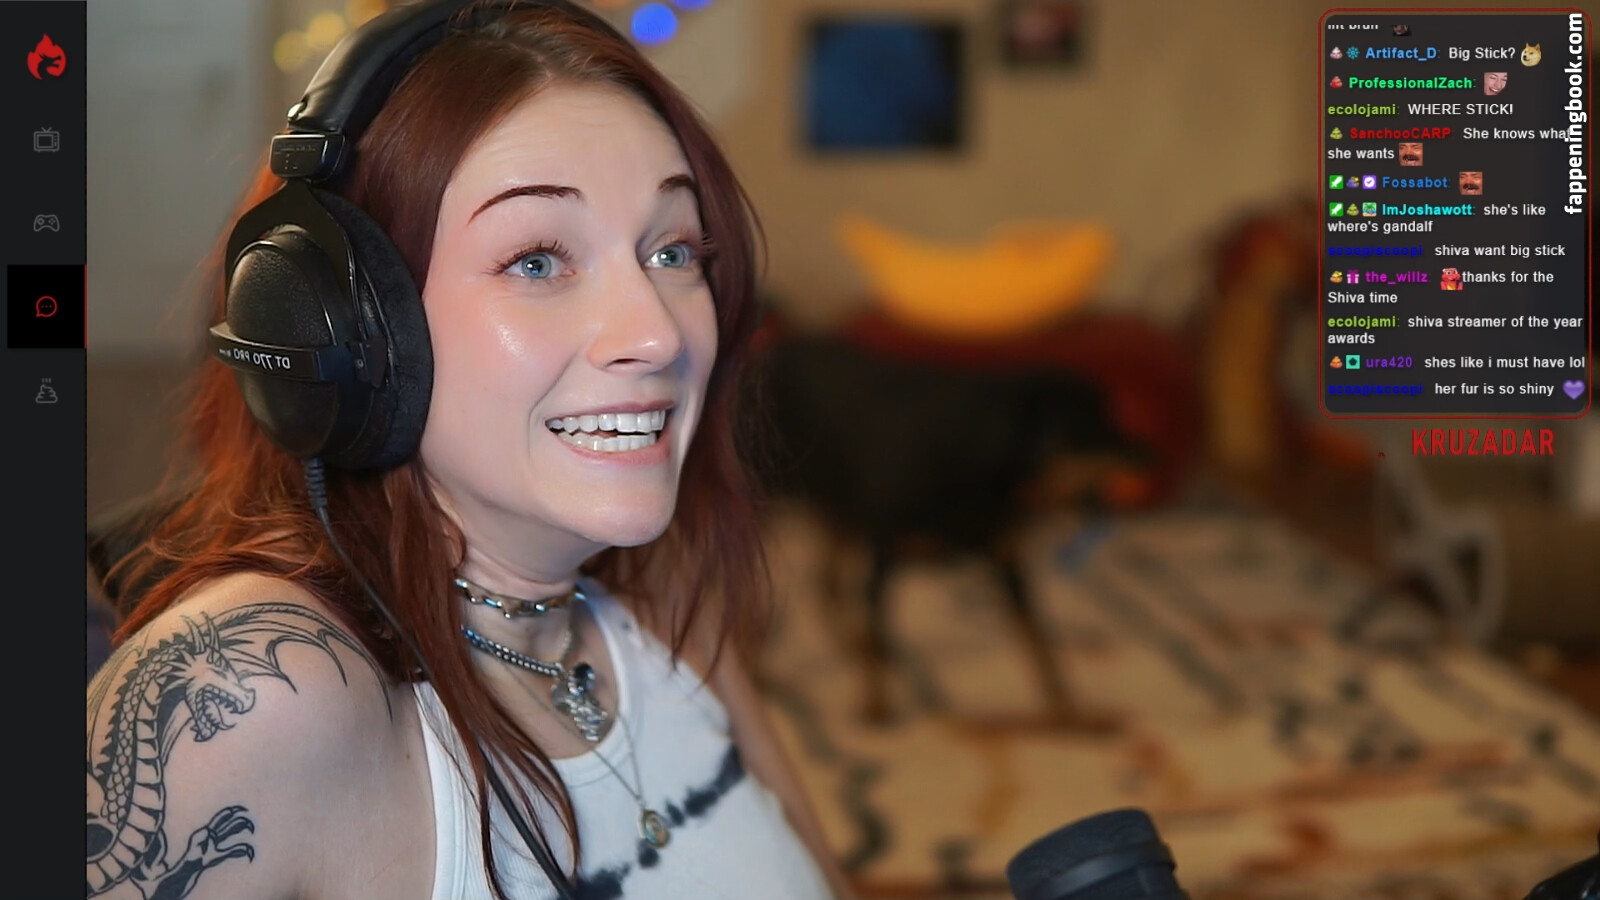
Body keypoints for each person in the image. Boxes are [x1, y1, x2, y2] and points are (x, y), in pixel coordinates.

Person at [86, 2, 850, 898]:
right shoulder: (261, 690)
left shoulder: (662, 595)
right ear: (351, 331)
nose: (657, 333)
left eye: (673, 251)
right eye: (537, 260)